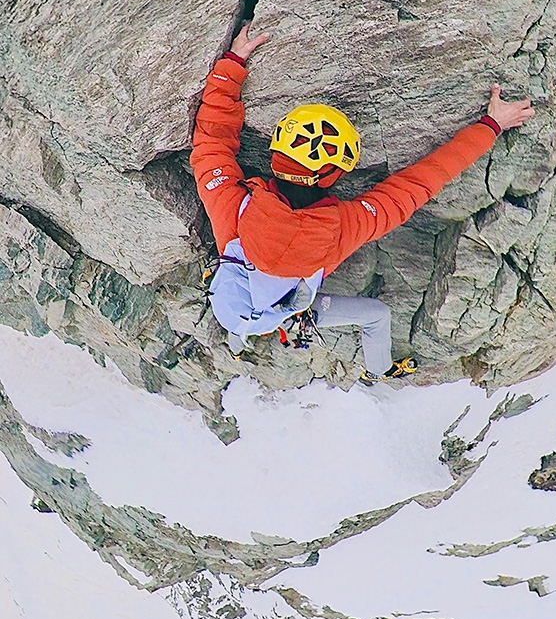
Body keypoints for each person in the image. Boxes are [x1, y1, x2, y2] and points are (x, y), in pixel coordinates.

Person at [190, 25, 535, 383]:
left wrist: (232, 63)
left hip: (233, 300)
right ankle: (378, 370)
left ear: (276, 153)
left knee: (239, 320)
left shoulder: (231, 206)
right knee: (377, 315)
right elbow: (423, 180)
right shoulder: (345, 228)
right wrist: (492, 124)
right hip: (288, 308)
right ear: (328, 177)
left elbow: (211, 140)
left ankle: (238, 340)